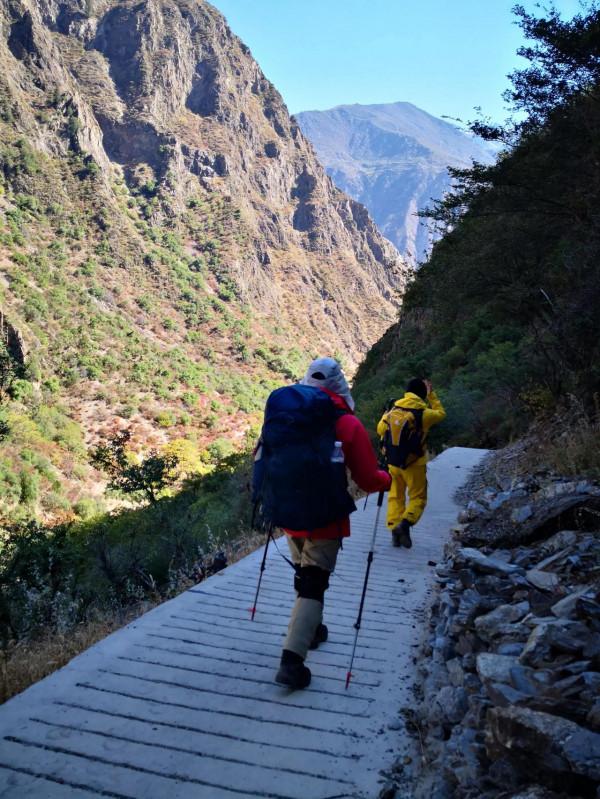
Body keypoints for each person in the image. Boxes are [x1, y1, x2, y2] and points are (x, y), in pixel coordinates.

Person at [264, 357, 391, 690]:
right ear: (340, 385)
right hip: (324, 516)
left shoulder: (287, 415)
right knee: (313, 581)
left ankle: (313, 629)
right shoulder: (347, 424)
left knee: (304, 573)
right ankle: (292, 661)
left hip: (287, 511)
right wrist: (386, 479)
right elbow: (367, 478)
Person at [377, 378, 446, 548]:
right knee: (418, 497)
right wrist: (432, 395)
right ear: (422, 394)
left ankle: (395, 529)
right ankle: (405, 524)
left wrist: (386, 414)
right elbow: (441, 413)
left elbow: (380, 429)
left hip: (393, 463)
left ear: (407, 392)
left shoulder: (393, 410)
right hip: (415, 464)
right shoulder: (424, 414)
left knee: (395, 496)